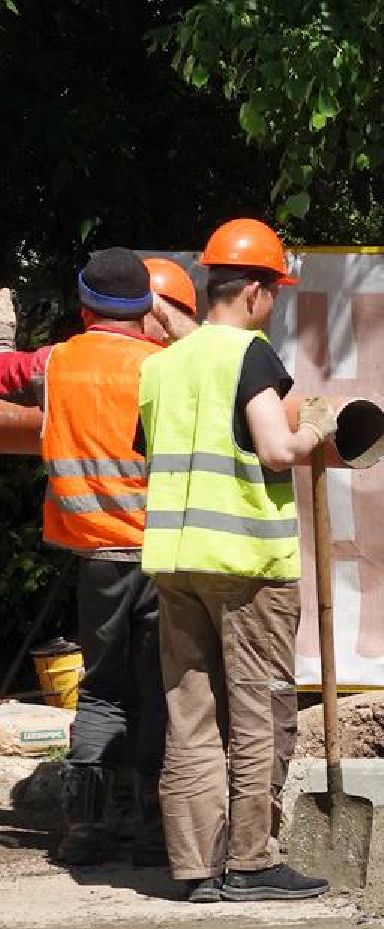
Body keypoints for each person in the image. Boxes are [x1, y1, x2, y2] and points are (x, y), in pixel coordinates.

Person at [138, 218, 336, 902]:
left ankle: (194, 867)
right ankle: (252, 860)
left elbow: (157, 452)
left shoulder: (159, 367)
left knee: (189, 715)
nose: (274, 305)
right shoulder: (250, 355)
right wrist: (316, 425)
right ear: (253, 291)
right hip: (249, 566)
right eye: (275, 292)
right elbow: (277, 450)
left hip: (176, 563)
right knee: (259, 710)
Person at [4, 251, 189, 865]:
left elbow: (7, 372)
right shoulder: (164, 366)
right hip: (163, 555)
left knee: (104, 691)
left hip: (98, 556)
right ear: (147, 311)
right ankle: (156, 833)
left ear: (84, 308)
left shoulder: (57, 362)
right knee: (162, 690)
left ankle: (86, 829)